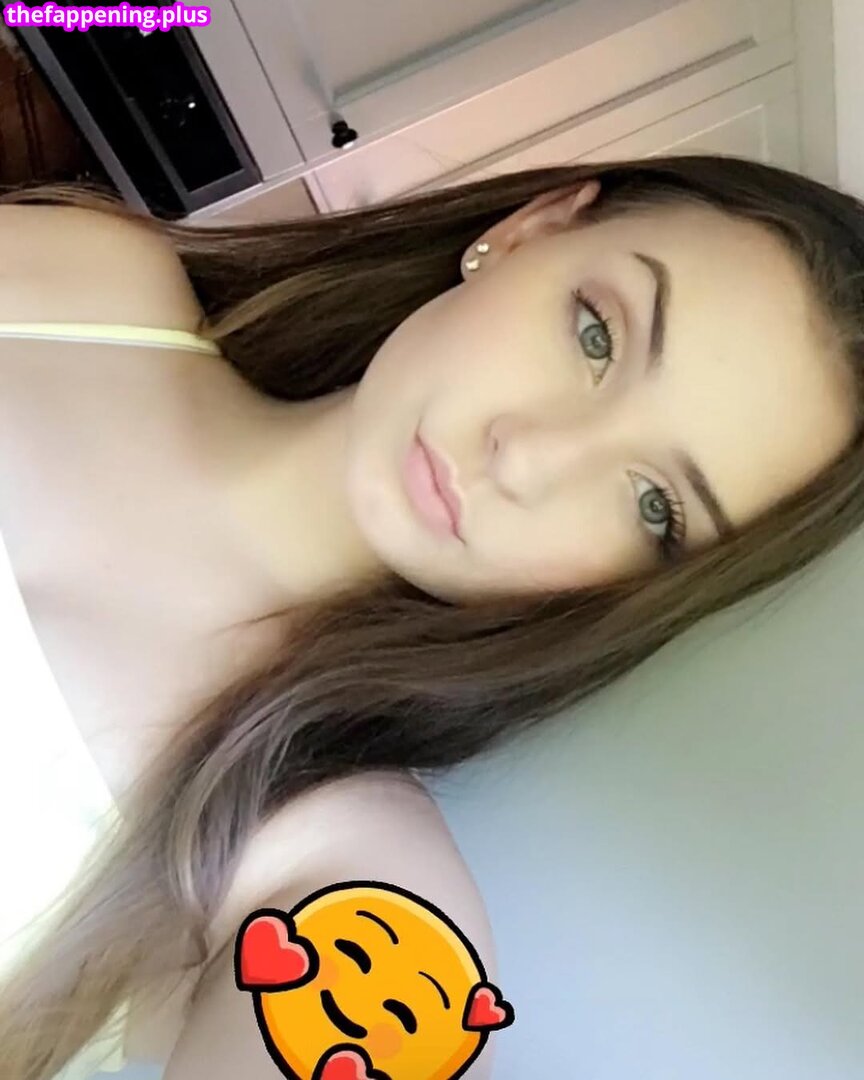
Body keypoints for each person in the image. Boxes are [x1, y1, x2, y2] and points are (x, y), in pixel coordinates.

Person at [0, 152, 863, 1080]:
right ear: (526, 232)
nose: (529, 459)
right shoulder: (91, 283)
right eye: (596, 336)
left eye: (655, 506)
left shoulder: (345, 872)